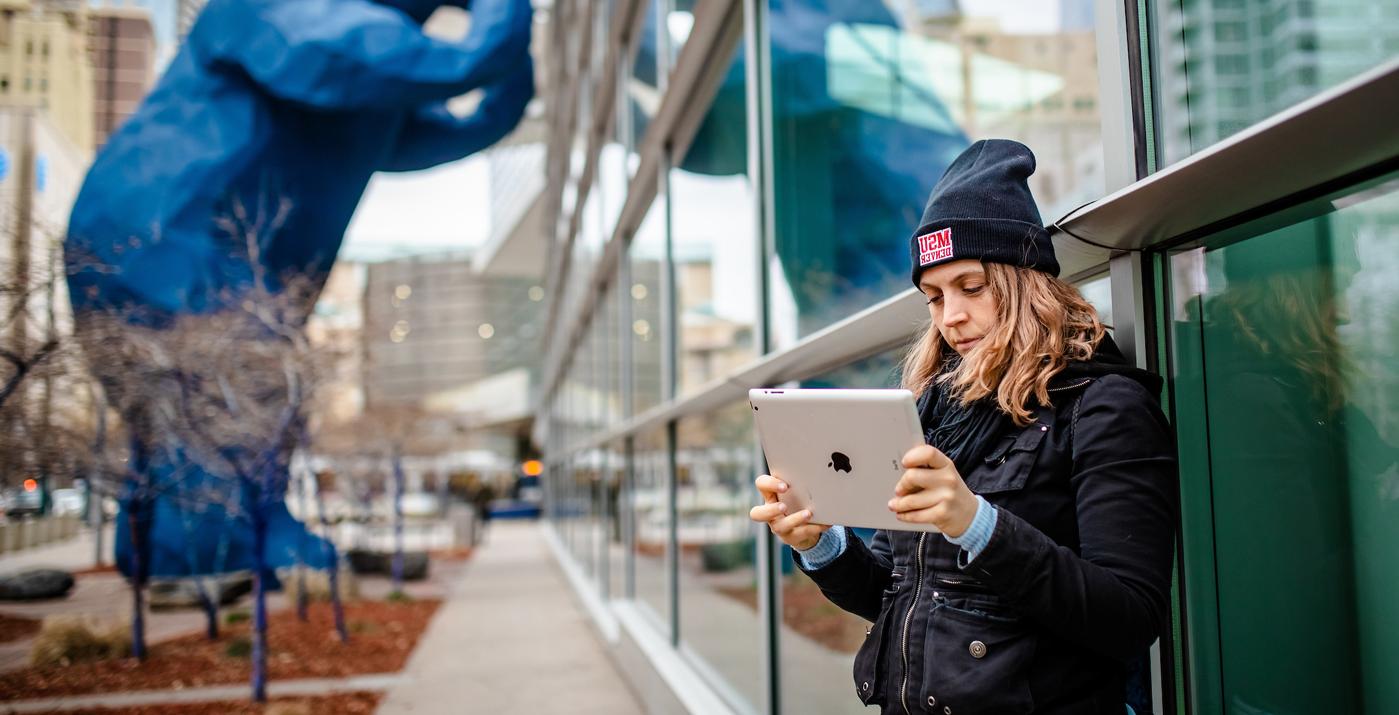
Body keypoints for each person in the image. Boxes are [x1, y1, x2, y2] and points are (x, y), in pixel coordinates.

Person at [750, 139, 1178, 714]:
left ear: (1025, 282)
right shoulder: (935, 414)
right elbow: (894, 596)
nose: (951, 316)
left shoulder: (1106, 407)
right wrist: (819, 542)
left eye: (971, 288)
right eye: (933, 297)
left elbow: (1129, 618)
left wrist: (977, 524)